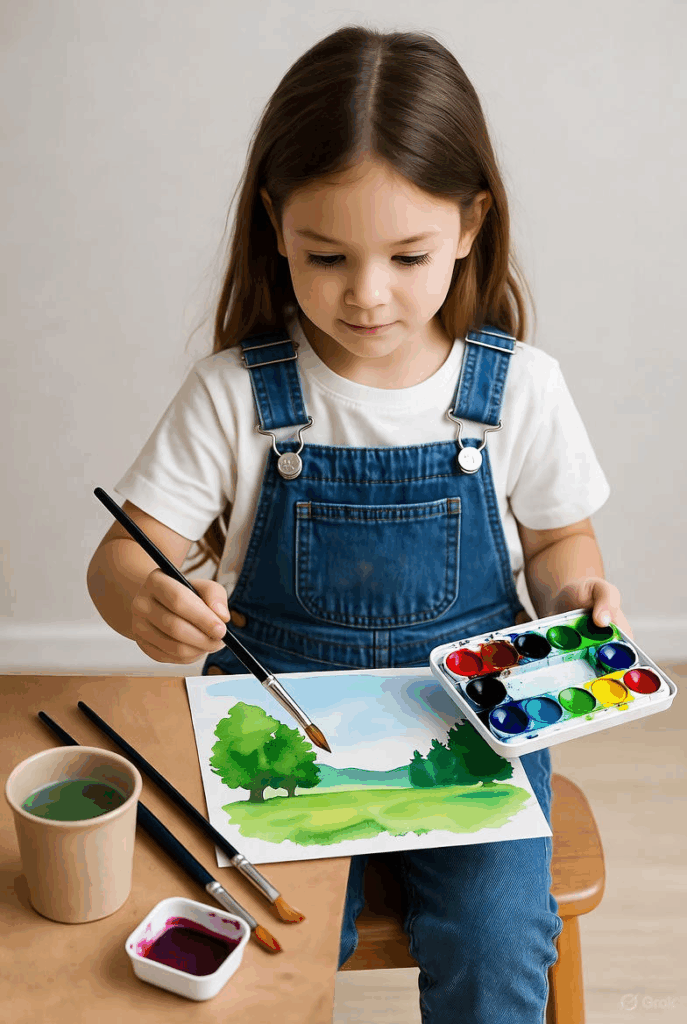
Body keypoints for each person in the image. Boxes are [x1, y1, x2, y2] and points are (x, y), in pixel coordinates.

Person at [87, 24, 633, 1023]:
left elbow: (562, 542)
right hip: (281, 728)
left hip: (475, 726)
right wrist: (143, 598)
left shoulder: (521, 388)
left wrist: (573, 594)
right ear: (275, 227)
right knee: (262, 930)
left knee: (498, 934)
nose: (366, 293)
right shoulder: (236, 395)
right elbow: (124, 554)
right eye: (326, 254)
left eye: (408, 254)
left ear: (471, 226)